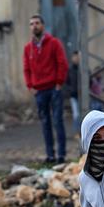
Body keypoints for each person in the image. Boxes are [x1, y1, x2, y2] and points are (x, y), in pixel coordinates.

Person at [23, 14, 68, 164]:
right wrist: (30, 86)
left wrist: (59, 83)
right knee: (45, 124)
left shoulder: (54, 43)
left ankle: (61, 155)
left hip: (53, 88)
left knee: (57, 121)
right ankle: (50, 155)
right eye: (31, 24)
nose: (34, 26)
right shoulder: (28, 48)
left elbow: (62, 63)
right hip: (39, 91)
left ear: (43, 25)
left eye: (36, 23)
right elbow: (26, 69)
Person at [67, 51, 82, 136]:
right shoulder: (70, 69)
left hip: (83, 96)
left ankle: (83, 131)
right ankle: (77, 132)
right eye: (75, 57)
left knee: (84, 114)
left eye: (78, 57)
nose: (76, 59)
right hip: (74, 95)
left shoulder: (84, 68)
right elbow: (67, 81)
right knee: (76, 115)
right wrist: (70, 90)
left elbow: (89, 79)